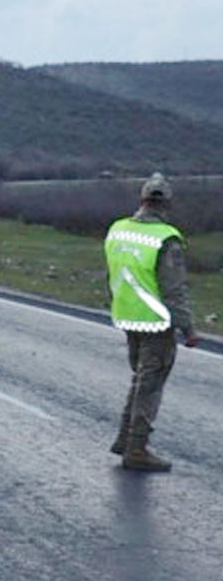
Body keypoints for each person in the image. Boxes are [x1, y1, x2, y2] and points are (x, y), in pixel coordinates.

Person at [105, 173, 201, 472]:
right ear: (167, 203)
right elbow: (174, 289)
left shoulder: (118, 229)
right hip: (157, 321)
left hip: (127, 315)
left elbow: (113, 270)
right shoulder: (166, 238)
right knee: (150, 384)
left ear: (142, 199)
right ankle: (136, 448)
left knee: (140, 378)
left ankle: (125, 438)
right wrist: (188, 327)